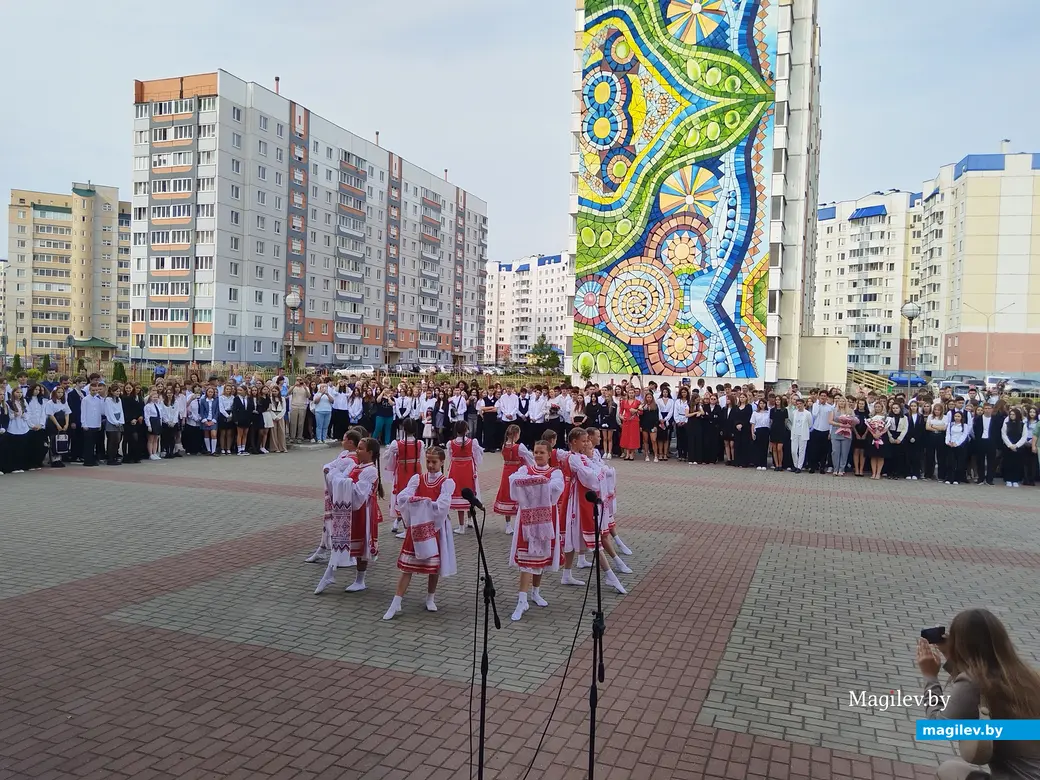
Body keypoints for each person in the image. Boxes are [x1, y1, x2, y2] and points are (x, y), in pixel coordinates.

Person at [915, 608, 1040, 780]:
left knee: (948, 770)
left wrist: (930, 676)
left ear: (961, 645)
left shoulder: (973, 682)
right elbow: (978, 689)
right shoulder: (1028, 675)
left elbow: (938, 728)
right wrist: (949, 654)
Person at [382, 446, 458, 620]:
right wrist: (414, 500)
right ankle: (396, 601)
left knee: (433, 567)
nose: (430, 465)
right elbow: (403, 496)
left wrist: (424, 504)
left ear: (442, 462)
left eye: (434, 462)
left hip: (435, 527)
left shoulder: (446, 483)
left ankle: (430, 597)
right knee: (407, 567)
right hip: (417, 526)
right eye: (428, 462)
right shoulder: (418, 479)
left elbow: (443, 505)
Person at [560, 427, 626, 594]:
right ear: (574, 442)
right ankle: (610, 575)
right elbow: (590, 478)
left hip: (584, 499)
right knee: (589, 538)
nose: (586, 443)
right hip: (578, 501)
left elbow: (594, 470)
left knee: (580, 537)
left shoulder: (581, 457)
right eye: (583, 441)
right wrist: (600, 473)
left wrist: (600, 472)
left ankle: (567, 574)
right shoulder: (573, 458)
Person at [314, 437, 384, 594]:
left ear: (370, 453)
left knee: (361, 546)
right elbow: (343, 480)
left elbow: (359, 494)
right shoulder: (356, 466)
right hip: (349, 511)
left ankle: (360, 580)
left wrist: (340, 480)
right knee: (344, 541)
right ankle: (330, 573)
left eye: (360, 448)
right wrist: (332, 475)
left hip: (362, 512)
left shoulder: (370, 471)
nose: (357, 451)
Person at [508, 439, 565, 622]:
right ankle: (522, 599)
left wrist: (534, 483)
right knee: (527, 559)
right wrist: (537, 482)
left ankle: (536, 592)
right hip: (527, 519)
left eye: (542, 452)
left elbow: (556, 489)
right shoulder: (525, 469)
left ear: (549, 454)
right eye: (536, 452)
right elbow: (514, 481)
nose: (538, 455)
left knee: (540, 558)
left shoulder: (555, 472)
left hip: (547, 518)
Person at [384, 418, 424, 536]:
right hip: (416, 471)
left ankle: (406, 528)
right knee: (414, 495)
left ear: (403, 429)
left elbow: (389, 458)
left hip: (402, 471)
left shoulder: (397, 444)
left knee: (401, 496)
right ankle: (405, 524)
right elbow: (421, 459)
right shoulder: (420, 443)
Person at [492, 424, 529, 535]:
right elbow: (529, 458)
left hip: (506, 472)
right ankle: (519, 523)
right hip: (517, 472)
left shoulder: (504, 446)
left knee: (507, 495)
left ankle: (508, 525)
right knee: (520, 495)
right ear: (516, 434)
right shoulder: (519, 447)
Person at [447, 421, 483, 534]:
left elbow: (450, 457)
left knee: (459, 495)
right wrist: (475, 466)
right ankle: (470, 520)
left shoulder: (451, 443)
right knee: (469, 494)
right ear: (466, 430)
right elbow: (477, 457)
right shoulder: (472, 442)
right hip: (468, 470)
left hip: (456, 471)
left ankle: (461, 526)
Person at [44, 387, 72, 468]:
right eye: (58, 392)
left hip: (62, 422)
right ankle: (54, 459)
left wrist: (66, 424)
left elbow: (67, 413)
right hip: (53, 424)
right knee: (53, 440)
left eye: (61, 392)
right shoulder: (50, 403)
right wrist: (57, 425)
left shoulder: (64, 402)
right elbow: (50, 415)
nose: (60, 394)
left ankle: (59, 458)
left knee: (61, 440)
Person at [1000, 407, 1028, 488]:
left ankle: (1015, 480)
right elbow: (1004, 435)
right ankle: (1008, 479)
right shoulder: (1006, 424)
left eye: (1013, 414)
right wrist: (1010, 445)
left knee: (1017, 463)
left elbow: (1024, 436)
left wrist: (1016, 445)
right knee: (1008, 463)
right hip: (1008, 447)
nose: (1012, 416)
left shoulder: (1023, 425)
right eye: (1011, 414)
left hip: (1018, 447)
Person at [973, 403, 999, 486]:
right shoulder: (978, 419)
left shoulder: (996, 419)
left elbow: (997, 432)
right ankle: (981, 478)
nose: (987, 410)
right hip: (981, 441)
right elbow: (975, 430)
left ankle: (989, 479)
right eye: (986, 408)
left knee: (991, 461)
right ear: (983, 409)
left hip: (991, 442)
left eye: (989, 408)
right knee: (980, 461)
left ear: (992, 409)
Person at [80, 383, 105, 467]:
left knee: (94, 443)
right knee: (88, 444)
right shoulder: (85, 399)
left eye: (96, 390)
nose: (95, 392)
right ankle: (87, 460)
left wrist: (99, 424)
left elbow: (99, 413)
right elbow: (83, 412)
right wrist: (84, 424)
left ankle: (92, 459)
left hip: (96, 424)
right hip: (88, 424)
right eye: (93, 390)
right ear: (90, 390)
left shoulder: (98, 400)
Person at [924, 402, 948, 482]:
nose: (937, 411)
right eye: (935, 410)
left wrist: (933, 426)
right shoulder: (930, 416)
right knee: (929, 455)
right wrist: (937, 428)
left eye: (938, 410)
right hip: (931, 436)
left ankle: (941, 475)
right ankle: (928, 474)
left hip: (940, 437)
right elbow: (927, 427)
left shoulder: (945, 417)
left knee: (941, 456)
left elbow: (944, 428)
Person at [945, 410, 970, 485]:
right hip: (950, 445)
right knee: (950, 463)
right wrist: (948, 442)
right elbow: (948, 434)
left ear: (961, 417)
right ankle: (949, 478)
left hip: (960, 446)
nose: (957, 418)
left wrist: (957, 443)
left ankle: (957, 479)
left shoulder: (965, 426)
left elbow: (964, 435)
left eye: (959, 416)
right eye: (955, 416)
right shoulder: (950, 424)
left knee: (959, 464)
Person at [103, 384, 125, 466]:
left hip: (119, 421)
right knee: (112, 440)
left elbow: (121, 410)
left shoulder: (119, 399)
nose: (118, 393)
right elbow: (109, 412)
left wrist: (121, 421)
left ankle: (115, 456)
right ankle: (110, 458)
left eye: (119, 391)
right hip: (112, 421)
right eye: (116, 391)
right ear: (112, 392)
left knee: (117, 440)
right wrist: (115, 422)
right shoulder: (108, 400)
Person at [788, 397, 812, 474]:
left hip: (803, 434)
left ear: (803, 404)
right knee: (793, 451)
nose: (799, 405)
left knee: (802, 451)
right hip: (795, 433)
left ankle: (799, 466)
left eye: (800, 404)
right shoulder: (794, 412)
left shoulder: (807, 413)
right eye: (797, 404)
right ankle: (795, 465)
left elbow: (810, 424)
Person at [619, 387, 641, 461]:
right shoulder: (624, 402)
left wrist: (635, 410)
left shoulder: (638, 402)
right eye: (630, 393)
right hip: (626, 420)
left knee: (633, 437)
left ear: (634, 394)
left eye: (632, 393)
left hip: (634, 421)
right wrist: (621, 417)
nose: (631, 394)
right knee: (626, 436)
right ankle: (627, 453)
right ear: (628, 394)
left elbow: (641, 412)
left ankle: (632, 453)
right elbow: (621, 411)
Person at [769, 396, 789, 472]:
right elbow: (771, 421)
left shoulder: (784, 410)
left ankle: (780, 464)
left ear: (781, 401)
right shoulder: (772, 410)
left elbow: (786, 421)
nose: (777, 401)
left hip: (781, 430)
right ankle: (776, 465)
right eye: (776, 400)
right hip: (774, 430)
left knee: (779, 448)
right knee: (774, 448)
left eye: (778, 400)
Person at [198, 387, 220, 455]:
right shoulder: (203, 400)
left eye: (212, 392)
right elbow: (201, 411)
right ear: (206, 392)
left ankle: (213, 451)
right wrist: (205, 420)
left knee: (213, 434)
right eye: (209, 392)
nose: (210, 393)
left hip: (213, 420)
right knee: (206, 434)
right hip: (206, 419)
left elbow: (217, 411)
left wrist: (213, 420)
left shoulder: (216, 400)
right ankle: (209, 450)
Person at [750, 399, 771, 470]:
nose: (762, 405)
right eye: (761, 403)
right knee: (758, 448)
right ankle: (758, 463)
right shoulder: (755, 413)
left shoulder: (768, 412)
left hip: (766, 430)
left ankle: (764, 464)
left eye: (763, 403)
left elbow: (771, 422)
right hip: (758, 430)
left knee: (764, 448)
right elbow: (753, 424)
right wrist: (752, 433)